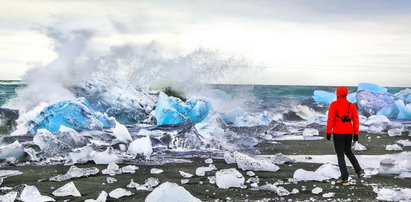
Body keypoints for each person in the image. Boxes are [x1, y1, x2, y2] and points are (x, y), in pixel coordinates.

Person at [326, 86, 365, 186]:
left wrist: (328, 132)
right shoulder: (351, 106)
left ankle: (345, 179)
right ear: (346, 94)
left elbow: (331, 119)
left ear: (337, 93)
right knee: (348, 152)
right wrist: (356, 134)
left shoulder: (333, 105)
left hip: (338, 133)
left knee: (340, 155)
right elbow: (356, 120)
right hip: (349, 133)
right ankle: (359, 171)